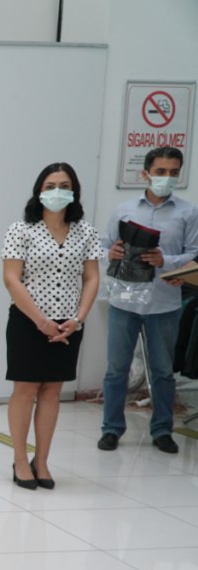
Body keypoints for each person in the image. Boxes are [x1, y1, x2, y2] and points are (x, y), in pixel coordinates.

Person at [1, 163, 103, 488]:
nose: (57, 191)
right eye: (50, 186)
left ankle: (42, 461)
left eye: (64, 186)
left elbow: (91, 277)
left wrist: (79, 318)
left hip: (69, 324)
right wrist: (41, 321)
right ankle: (20, 459)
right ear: (39, 191)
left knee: (52, 392)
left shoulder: (86, 232)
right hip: (29, 321)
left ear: (74, 192)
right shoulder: (21, 230)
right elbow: (12, 279)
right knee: (25, 389)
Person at [100, 146, 198, 454]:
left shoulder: (188, 212)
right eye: (160, 172)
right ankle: (111, 429)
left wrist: (165, 261)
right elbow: (102, 246)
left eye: (173, 172)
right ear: (146, 173)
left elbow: (194, 254)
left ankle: (162, 430)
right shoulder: (124, 210)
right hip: (124, 300)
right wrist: (111, 252)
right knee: (116, 370)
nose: (166, 177)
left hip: (164, 303)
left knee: (163, 371)